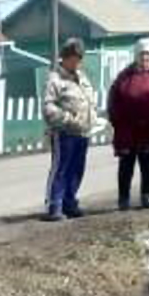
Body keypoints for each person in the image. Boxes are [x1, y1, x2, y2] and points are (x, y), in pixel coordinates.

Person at [106, 36, 149, 210]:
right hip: (127, 130)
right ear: (136, 56)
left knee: (148, 164)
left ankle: (147, 196)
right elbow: (113, 101)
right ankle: (123, 199)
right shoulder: (124, 76)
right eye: (142, 55)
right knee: (126, 166)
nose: (145, 59)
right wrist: (118, 122)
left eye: (148, 55)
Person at [42, 37, 97, 221]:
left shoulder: (82, 77)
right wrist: (67, 119)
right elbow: (48, 108)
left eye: (80, 58)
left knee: (77, 169)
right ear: (65, 58)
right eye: (74, 57)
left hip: (82, 132)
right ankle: (54, 205)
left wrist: (93, 118)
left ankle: (69, 201)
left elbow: (89, 102)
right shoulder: (55, 79)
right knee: (61, 168)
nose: (78, 62)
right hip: (64, 132)